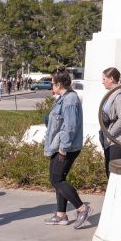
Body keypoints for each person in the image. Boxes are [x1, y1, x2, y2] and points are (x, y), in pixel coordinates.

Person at [43, 69, 91, 228]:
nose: (51, 87)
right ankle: (61, 215)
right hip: (59, 146)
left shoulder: (70, 100)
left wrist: (63, 149)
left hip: (66, 148)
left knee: (56, 180)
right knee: (58, 179)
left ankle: (82, 208)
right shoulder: (62, 98)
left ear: (59, 84)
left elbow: (70, 127)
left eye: (52, 84)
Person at [99, 67, 121, 178]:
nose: (102, 81)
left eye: (104, 79)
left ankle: (119, 195)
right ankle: (114, 195)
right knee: (109, 173)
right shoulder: (109, 96)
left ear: (111, 79)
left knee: (113, 174)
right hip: (110, 140)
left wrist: (110, 134)